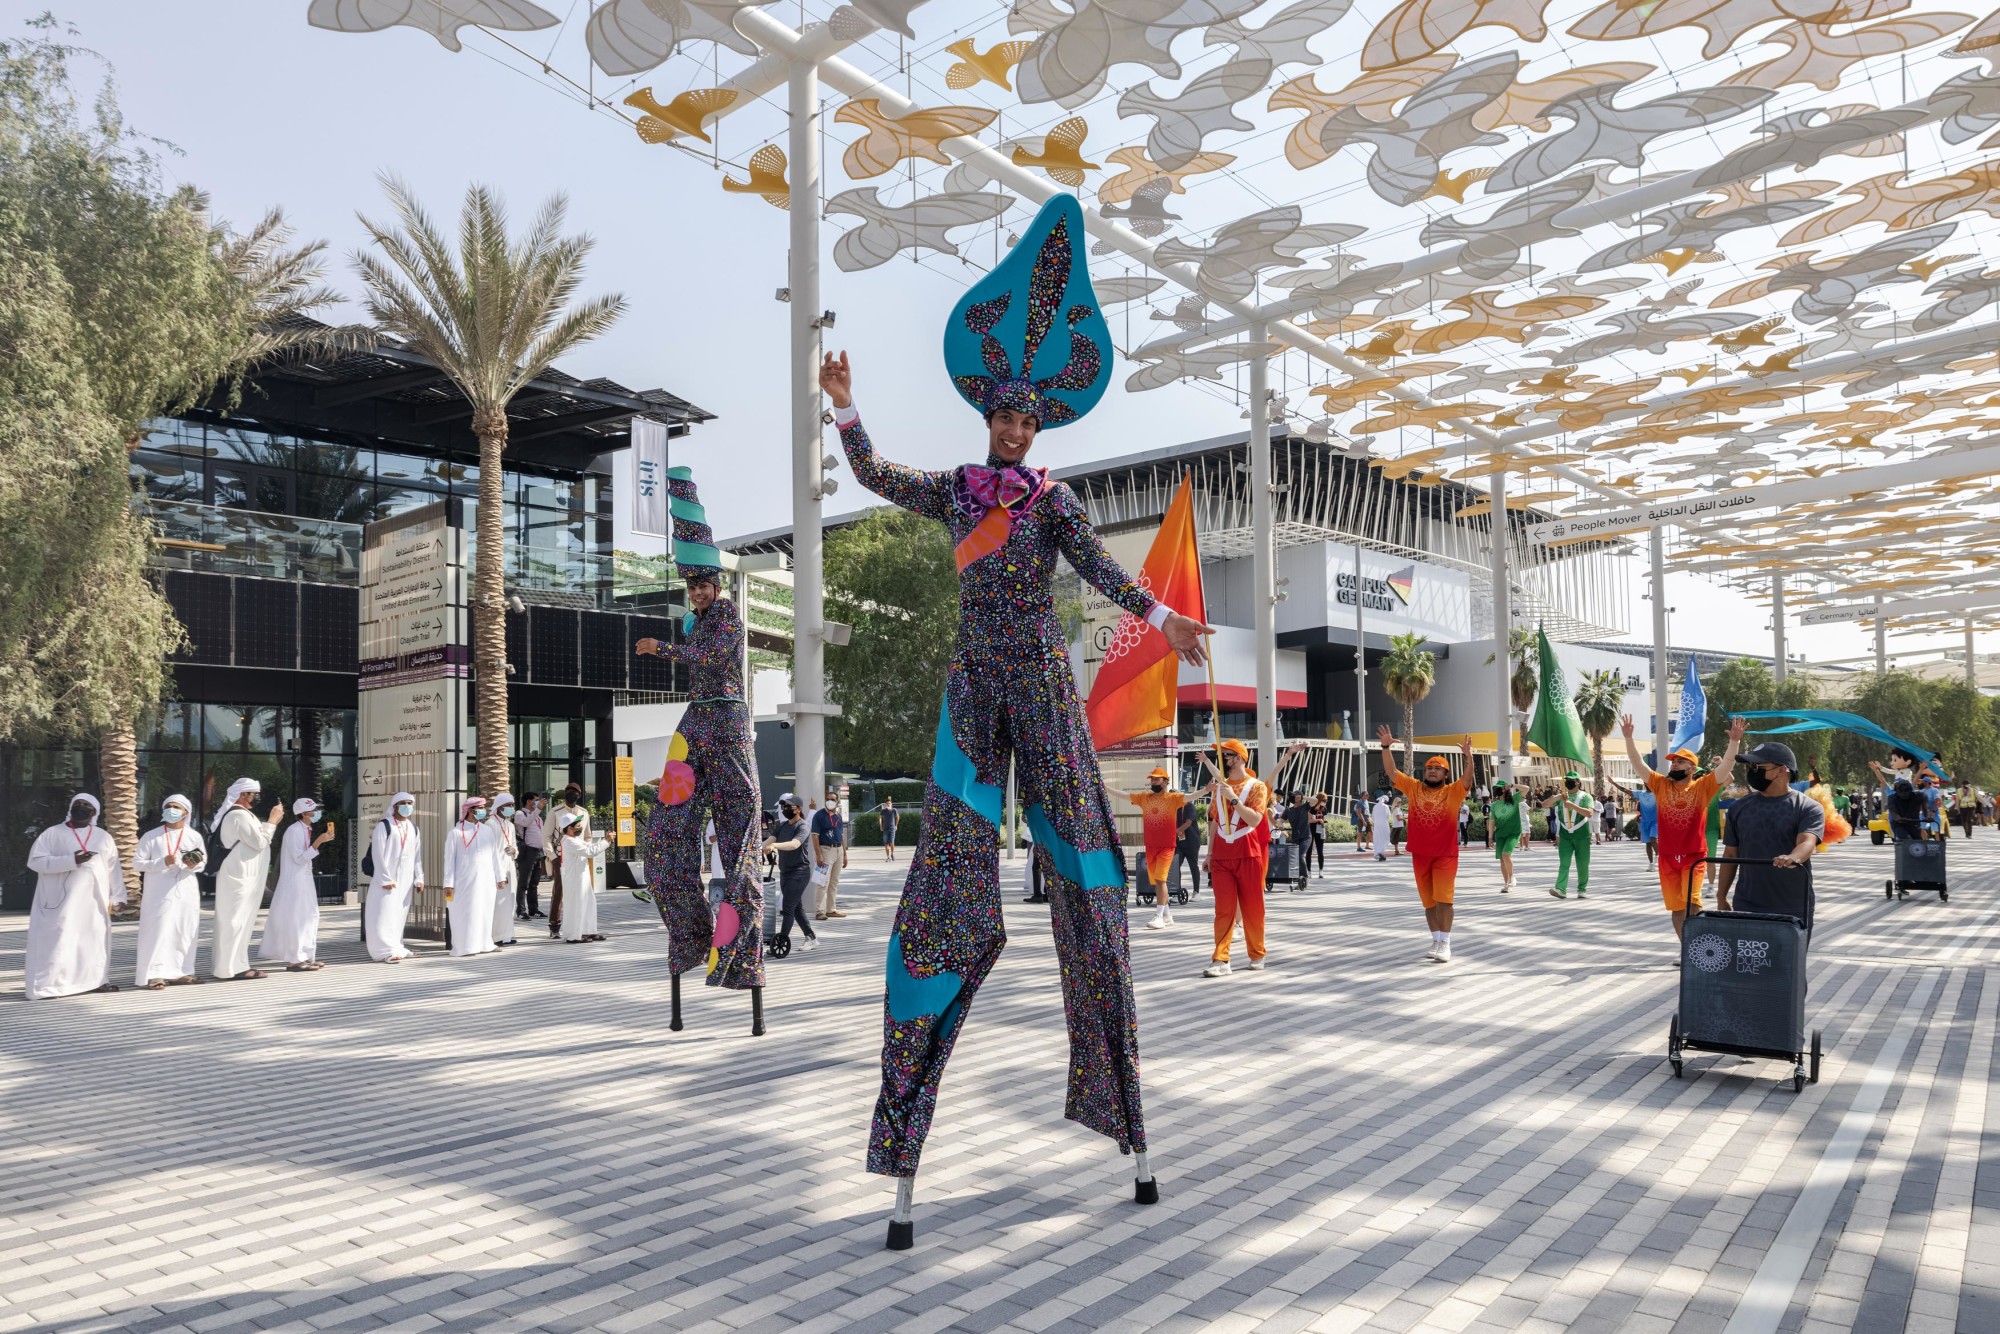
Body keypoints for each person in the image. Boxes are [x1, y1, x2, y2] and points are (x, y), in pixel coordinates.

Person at [820, 197, 1213, 1211]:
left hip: (1040, 682)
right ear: (985, 414)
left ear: (1039, 426)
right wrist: (846, 408)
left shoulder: (1053, 502)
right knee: (944, 887)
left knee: (1089, 879)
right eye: (1001, 412)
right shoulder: (955, 488)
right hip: (971, 685)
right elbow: (870, 473)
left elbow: (1100, 570)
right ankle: (903, 1129)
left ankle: (1118, 1108)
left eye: (1025, 417)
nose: (1011, 425)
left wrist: (1162, 618)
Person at [636, 472, 766, 997]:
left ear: (717, 584)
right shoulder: (700, 618)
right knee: (665, 841)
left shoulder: (728, 619)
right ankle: (689, 939)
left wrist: (661, 650)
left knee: (740, 849)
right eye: (690, 587)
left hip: (729, 723)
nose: (695, 593)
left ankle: (735, 956)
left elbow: (710, 659)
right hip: (694, 725)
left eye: (702, 585)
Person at [1621, 714, 1747, 939]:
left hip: (1694, 857)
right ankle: (1686, 949)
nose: (1674, 764)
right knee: (1677, 909)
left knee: (1692, 904)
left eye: (1680, 761)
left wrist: (1734, 742)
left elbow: (1727, 766)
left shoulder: (1703, 787)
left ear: (1691, 768)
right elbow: (1637, 763)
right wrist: (1628, 738)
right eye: (1673, 761)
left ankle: (1697, 948)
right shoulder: (1660, 784)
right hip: (1667, 857)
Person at [1378, 727, 1474, 963]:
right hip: (1420, 854)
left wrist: (1469, 758)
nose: (1432, 771)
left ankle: (1446, 943)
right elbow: (1391, 772)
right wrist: (1385, 747)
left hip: (1445, 855)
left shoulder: (1453, 792)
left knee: (1444, 900)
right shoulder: (1414, 787)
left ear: (1445, 774)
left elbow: (1468, 779)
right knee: (1429, 903)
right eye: (1429, 768)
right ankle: (1436, 939)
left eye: (1437, 769)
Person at [1715, 741, 1824, 932]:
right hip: (1747, 904)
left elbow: (1807, 841)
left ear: (1782, 770)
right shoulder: (1738, 808)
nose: (1752, 771)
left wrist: (1792, 857)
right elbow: (1731, 856)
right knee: (1748, 962)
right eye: (1751, 766)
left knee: (1788, 962)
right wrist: (1721, 896)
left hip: (1793, 905)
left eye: (1758, 766)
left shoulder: (1807, 807)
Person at [24, 794, 125, 999]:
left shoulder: (103, 836)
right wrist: (72, 860)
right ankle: (49, 986)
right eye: (78, 804)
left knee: (93, 940)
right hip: (62, 901)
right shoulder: (52, 834)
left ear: (95, 812)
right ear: (70, 808)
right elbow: (35, 862)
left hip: (95, 901)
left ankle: (95, 981)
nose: (82, 807)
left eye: (87, 805)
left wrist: (118, 896)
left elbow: (113, 869)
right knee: (59, 940)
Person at [1203, 739, 1272, 978]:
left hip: (1248, 853)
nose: (1222, 759)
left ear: (1241, 758)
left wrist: (1233, 798)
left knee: (1253, 908)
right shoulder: (1219, 786)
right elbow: (1214, 821)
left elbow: (1254, 820)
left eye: (1227, 754)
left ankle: (1257, 953)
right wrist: (1209, 853)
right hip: (1222, 855)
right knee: (1223, 909)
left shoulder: (1257, 787)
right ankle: (1221, 959)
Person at [132, 795, 207, 990]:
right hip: (159, 892)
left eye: (176, 807)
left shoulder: (194, 836)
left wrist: (192, 864)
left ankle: (180, 971)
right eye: (168, 806)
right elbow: (137, 863)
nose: (171, 810)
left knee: (184, 930)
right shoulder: (151, 836)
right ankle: (154, 974)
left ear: (186, 813)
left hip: (186, 890)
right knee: (158, 931)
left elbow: (203, 861)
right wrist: (161, 862)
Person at [211, 778, 282, 983]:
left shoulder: (245, 815)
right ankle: (230, 967)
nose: (258, 797)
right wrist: (272, 821)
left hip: (245, 876)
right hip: (239, 876)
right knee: (235, 920)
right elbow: (259, 841)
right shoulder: (237, 816)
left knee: (241, 920)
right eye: (254, 793)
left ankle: (237, 965)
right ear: (243, 795)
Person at [259, 797, 333, 972]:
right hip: (294, 882)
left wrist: (319, 841)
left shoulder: (305, 829)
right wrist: (319, 841)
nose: (316, 813)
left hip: (304, 880)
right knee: (297, 919)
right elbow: (298, 858)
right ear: (304, 813)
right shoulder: (294, 831)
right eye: (313, 810)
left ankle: (306, 956)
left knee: (309, 916)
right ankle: (294, 960)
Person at [1118, 767, 1187, 929]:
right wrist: (1104, 787)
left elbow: (1191, 796)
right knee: (1157, 882)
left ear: (1165, 781)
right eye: (1152, 779)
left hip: (1167, 846)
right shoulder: (1144, 798)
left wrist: (1207, 789)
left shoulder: (1173, 798)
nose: (1153, 782)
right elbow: (1125, 796)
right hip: (1150, 846)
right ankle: (1168, 916)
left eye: (1157, 779)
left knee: (1161, 880)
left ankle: (1158, 917)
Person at [364, 792, 424, 963]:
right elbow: (378, 854)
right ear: (395, 806)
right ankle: (383, 951)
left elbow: (416, 855)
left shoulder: (413, 828)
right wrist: (385, 878)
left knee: (399, 914)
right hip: (386, 879)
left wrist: (419, 877)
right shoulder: (384, 826)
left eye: (410, 803)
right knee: (383, 914)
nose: (407, 806)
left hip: (405, 879)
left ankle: (397, 947)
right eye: (403, 803)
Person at [443, 797, 502, 957]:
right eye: (479, 808)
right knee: (465, 914)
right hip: (463, 882)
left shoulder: (487, 830)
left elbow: (495, 855)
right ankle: (465, 947)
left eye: (484, 808)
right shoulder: (456, 833)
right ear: (469, 810)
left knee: (485, 912)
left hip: (486, 880)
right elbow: (449, 861)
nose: (483, 811)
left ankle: (485, 943)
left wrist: (500, 877)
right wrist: (448, 883)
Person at [766, 795, 818, 953]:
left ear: (799, 809)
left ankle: (781, 941)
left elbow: (795, 844)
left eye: (789, 806)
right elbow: (769, 841)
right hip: (785, 871)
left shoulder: (803, 826)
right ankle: (811, 937)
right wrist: (756, 848)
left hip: (799, 872)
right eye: (784, 807)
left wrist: (775, 845)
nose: (786, 809)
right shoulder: (781, 826)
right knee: (796, 908)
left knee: (787, 907)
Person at [541, 784, 592, 939]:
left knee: (580, 891)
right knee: (559, 890)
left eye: (576, 792)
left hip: (580, 856)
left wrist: (586, 849)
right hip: (561, 855)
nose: (573, 795)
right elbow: (546, 836)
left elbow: (587, 835)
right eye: (570, 792)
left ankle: (580, 925)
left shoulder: (584, 813)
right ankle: (554, 925)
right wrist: (553, 856)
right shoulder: (555, 812)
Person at [556, 808, 610, 943]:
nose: (580, 827)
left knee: (588, 903)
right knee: (577, 905)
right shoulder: (569, 841)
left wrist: (605, 840)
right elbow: (590, 851)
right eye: (577, 825)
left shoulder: (575, 839)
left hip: (581, 877)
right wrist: (606, 841)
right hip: (575, 878)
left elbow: (590, 846)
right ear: (569, 828)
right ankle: (574, 935)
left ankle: (588, 931)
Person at [1543, 772, 1596, 900]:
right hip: (1565, 835)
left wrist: (1572, 805)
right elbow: (1545, 805)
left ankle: (1582, 889)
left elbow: (1589, 813)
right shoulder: (1561, 797)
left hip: (1582, 835)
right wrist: (1558, 797)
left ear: (1578, 782)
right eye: (1566, 780)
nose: (1567, 782)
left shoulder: (1585, 796)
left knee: (1582, 863)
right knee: (1564, 863)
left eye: (1571, 780)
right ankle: (1560, 889)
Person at [811, 785, 848, 921]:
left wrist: (844, 854)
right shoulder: (819, 815)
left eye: (832, 799)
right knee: (822, 882)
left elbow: (841, 835)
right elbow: (815, 836)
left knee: (834, 882)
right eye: (827, 799)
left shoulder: (838, 816)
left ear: (837, 802)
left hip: (838, 850)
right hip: (825, 849)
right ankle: (819, 911)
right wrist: (818, 854)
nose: (829, 801)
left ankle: (831, 909)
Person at [491, 792, 520, 946]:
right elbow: (491, 851)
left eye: (512, 805)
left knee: (510, 901)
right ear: (499, 807)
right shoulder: (491, 824)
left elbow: (515, 844)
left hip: (510, 866)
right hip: (498, 868)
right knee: (499, 902)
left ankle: (508, 934)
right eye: (508, 805)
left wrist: (514, 851)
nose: (510, 808)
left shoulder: (510, 825)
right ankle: (497, 936)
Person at [1487, 779, 1524, 893]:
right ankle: (1506, 883)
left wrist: (1513, 785)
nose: (1496, 790)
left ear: (1505, 789)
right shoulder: (1494, 805)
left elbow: (1526, 788)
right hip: (1500, 834)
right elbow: (1492, 821)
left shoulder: (1514, 799)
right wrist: (1490, 837)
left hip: (1513, 833)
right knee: (1502, 860)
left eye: (1499, 788)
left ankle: (1512, 877)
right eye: (1496, 788)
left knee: (1505, 854)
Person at [514, 792, 547, 920]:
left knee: (534, 883)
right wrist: (538, 809)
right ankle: (521, 910)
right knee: (524, 882)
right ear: (529, 801)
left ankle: (534, 909)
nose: (538, 802)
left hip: (538, 852)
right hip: (527, 851)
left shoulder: (538, 817)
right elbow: (526, 823)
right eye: (536, 800)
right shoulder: (520, 814)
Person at [1169, 794, 1203, 901]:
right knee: (1175, 866)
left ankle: (1196, 892)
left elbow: (1188, 823)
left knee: (1193, 866)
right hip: (1179, 842)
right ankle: (1176, 891)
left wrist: (1174, 832)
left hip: (1192, 841)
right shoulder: (1173, 809)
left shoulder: (1189, 806)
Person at [1281, 791, 1314, 888]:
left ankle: (1305, 877)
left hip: (1306, 836)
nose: (1296, 798)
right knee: (1295, 859)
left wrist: (1303, 796)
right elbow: (1281, 820)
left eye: (1297, 796)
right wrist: (1280, 824)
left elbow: (1315, 800)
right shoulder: (1288, 810)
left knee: (1300, 856)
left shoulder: (1305, 806)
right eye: (1294, 796)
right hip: (1295, 837)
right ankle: (1300, 879)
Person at [1370, 789, 1394, 861]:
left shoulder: (1375, 807)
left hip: (1377, 825)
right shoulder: (1385, 807)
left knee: (1378, 839)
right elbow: (1388, 816)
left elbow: (1373, 816)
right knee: (1385, 838)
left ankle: (1379, 852)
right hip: (1384, 825)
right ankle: (1381, 852)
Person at [1308, 795, 1327, 871]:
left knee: (1320, 851)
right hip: (1311, 830)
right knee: (1309, 851)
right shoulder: (1311, 808)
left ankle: (1321, 870)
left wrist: (1322, 824)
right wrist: (1317, 820)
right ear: (1319, 800)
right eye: (1324, 800)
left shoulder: (1324, 809)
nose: (1325, 802)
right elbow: (1309, 820)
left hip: (1320, 830)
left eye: (1326, 801)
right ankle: (1308, 870)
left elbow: (1323, 818)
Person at [880, 795, 899, 862]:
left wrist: (896, 825)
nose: (888, 804)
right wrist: (881, 826)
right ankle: (888, 857)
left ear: (891, 804)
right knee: (886, 843)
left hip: (892, 828)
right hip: (885, 828)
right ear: (885, 804)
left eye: (889, 803)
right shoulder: (883, 810)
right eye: (887, 803)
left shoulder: (894, 810)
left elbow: (897, 817)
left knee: (892, 842)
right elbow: (880, 817)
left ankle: (892, 854)